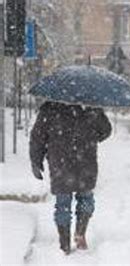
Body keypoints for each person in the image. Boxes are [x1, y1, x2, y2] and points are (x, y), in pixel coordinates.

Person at [29, 101, 112, 254]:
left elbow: (38, 137)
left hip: (59, 162)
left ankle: (64, 243)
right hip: (85, 160)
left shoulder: (50, 108)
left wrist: (36, 161)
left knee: (63, 204)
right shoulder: (91, 106)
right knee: (86, 197)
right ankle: (80, 231)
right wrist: (91, 138)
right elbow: (106, 130)